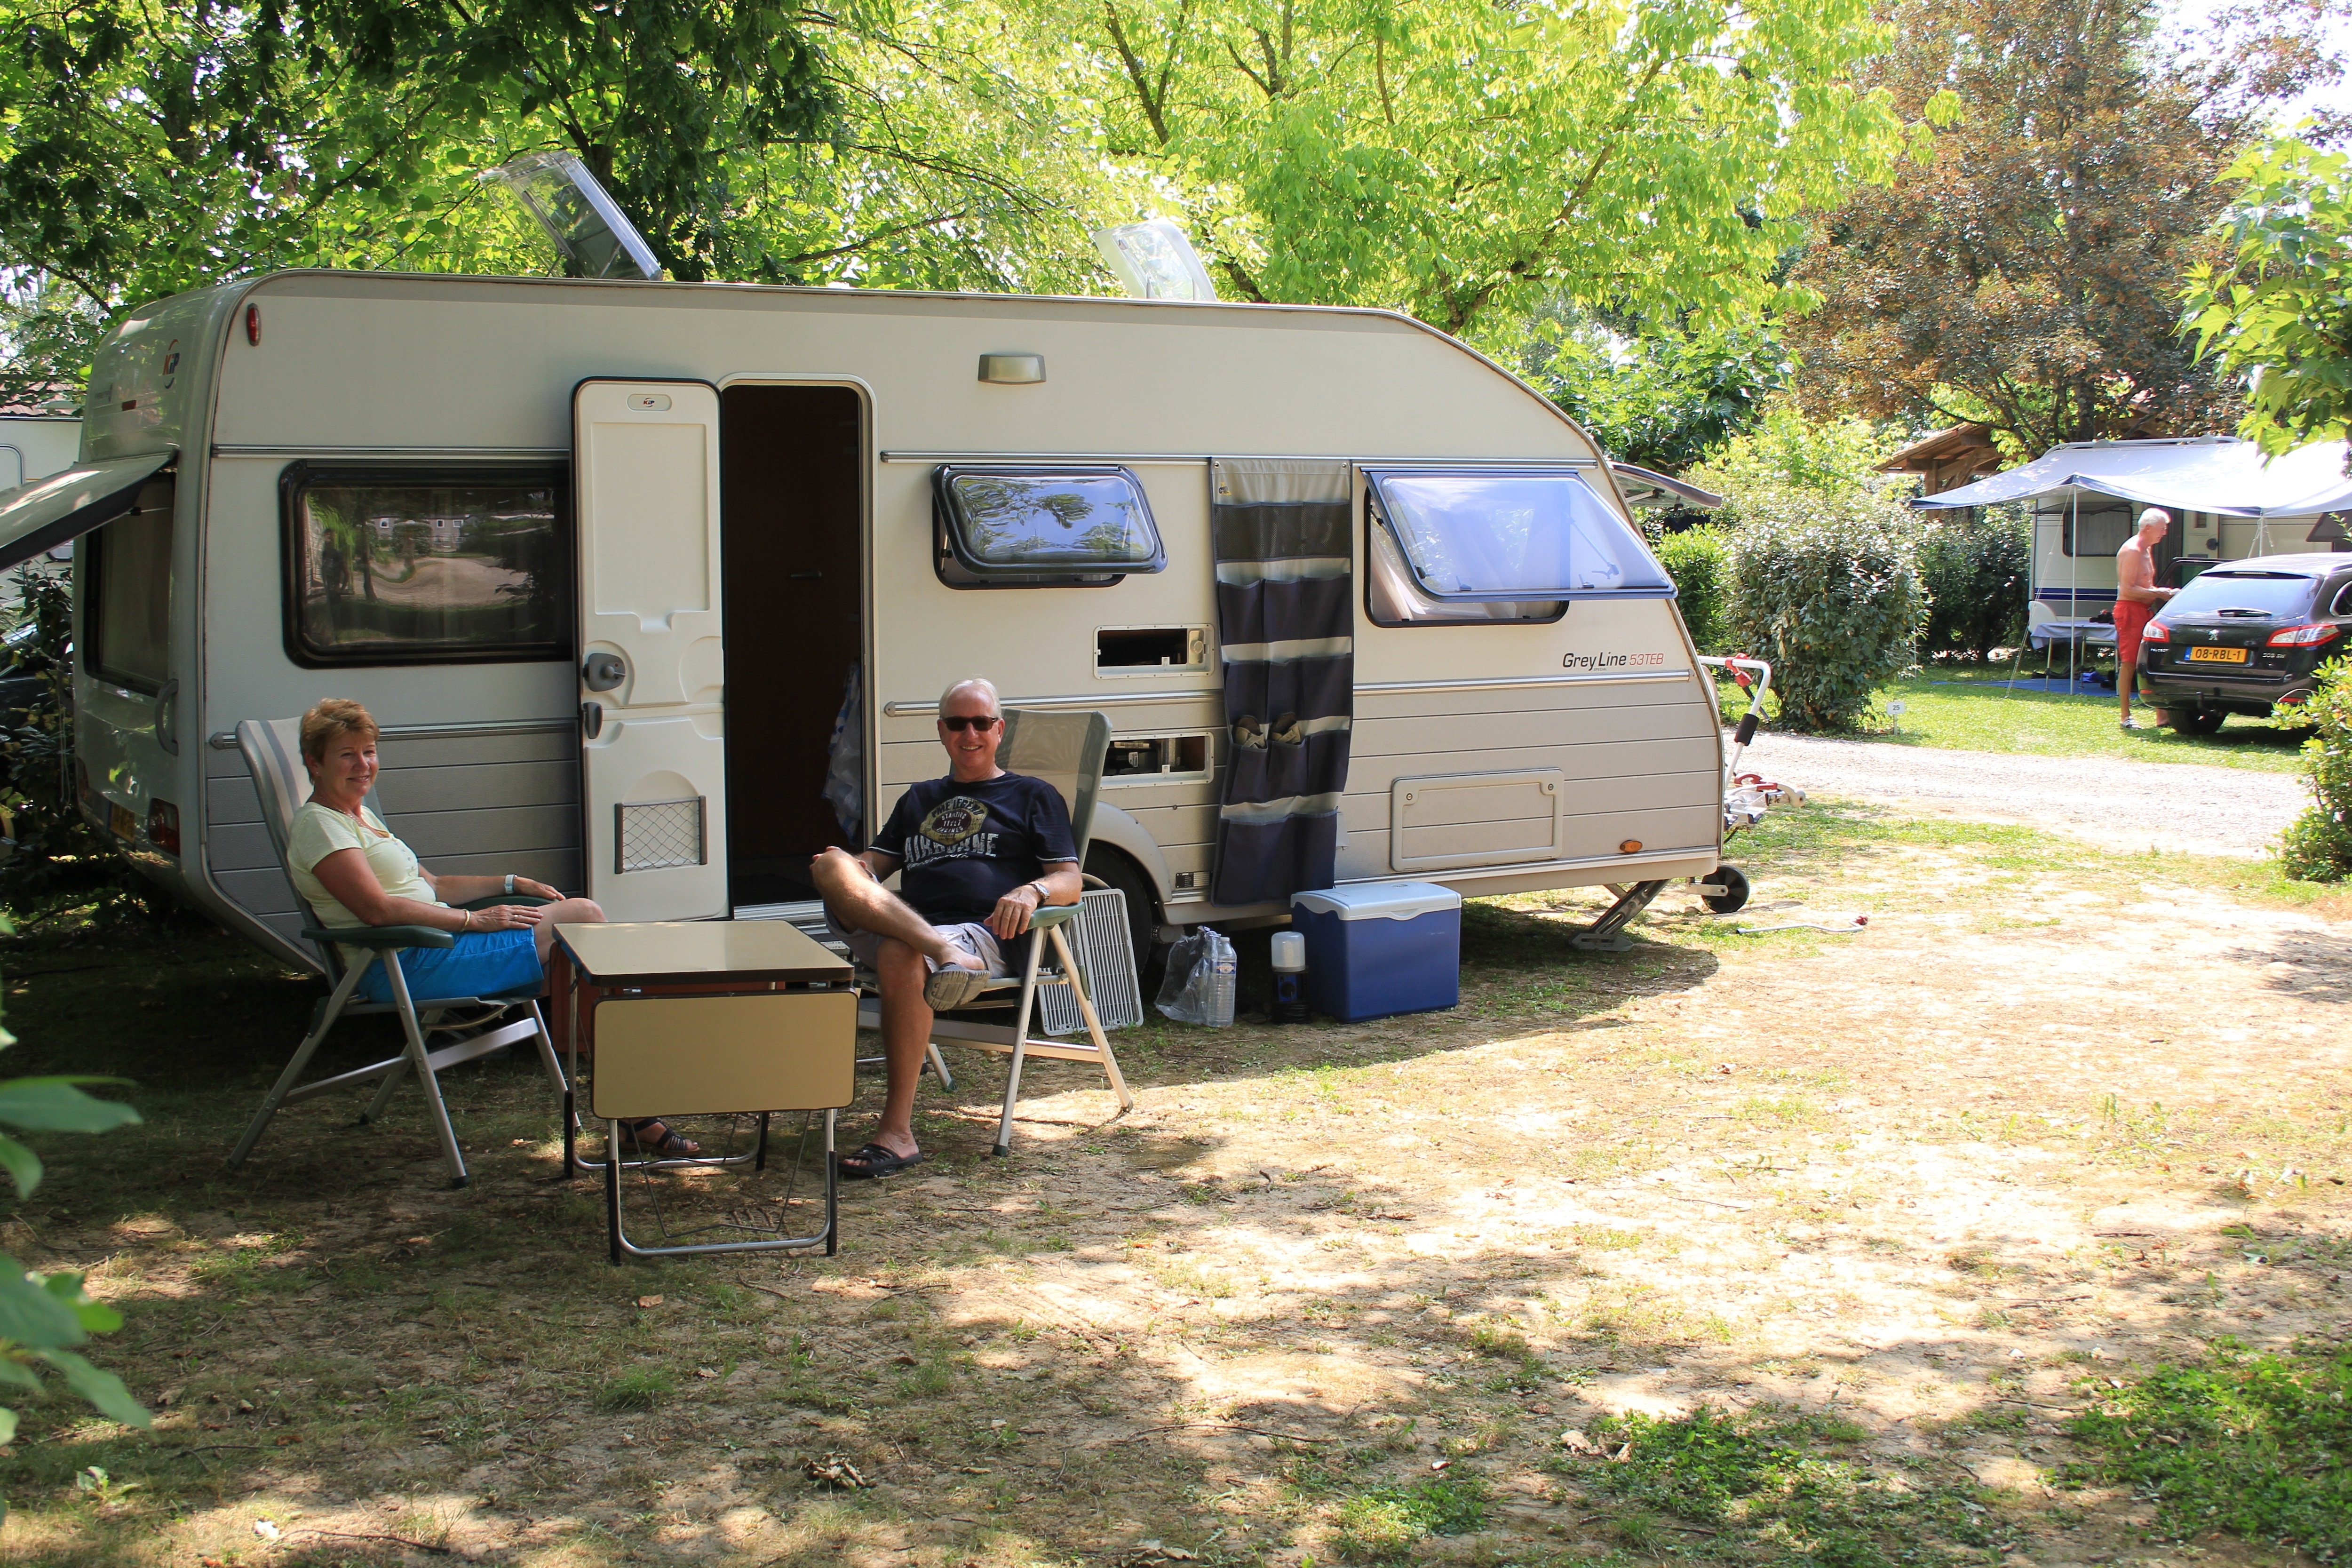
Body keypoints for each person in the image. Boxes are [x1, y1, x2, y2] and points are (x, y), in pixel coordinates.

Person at [286, 699, 693, 1158]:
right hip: (399, 963)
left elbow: (435, 885)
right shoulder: (320, 826)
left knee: (582, 953)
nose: (363, 765)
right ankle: (636, 1104)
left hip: (434, 948)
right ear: (315, 763)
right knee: (584, 920)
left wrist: (511, 883)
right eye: (347, 755)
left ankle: (633, 1104)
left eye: (370, 751)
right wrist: (474, 920)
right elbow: (377, 910)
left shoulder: (358, 815)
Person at [810, 677, 1081, 1178]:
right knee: (831, 864)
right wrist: (847, 870)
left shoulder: (1033, 795)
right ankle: (940, 950)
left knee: (899, 952)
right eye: (958, 723)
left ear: (999, 730)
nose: (969, 734)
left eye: (981, 723)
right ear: (941, 731)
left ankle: (896, 1134)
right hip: (920, 930)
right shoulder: (919, 798)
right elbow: (872, 866)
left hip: (983, 934)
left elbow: (1070, 878)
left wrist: (1031, 891)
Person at [2114, 509, 2178, 729]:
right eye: (2162, 529)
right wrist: (2160, 593)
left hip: (2145, 609)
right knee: (2130, 662)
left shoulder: (2147, 549)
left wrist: (2163, 593)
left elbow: (2145, 585)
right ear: (2148, 528)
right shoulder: (2133, 551)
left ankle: (2162, 716)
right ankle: (2125, 716)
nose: (2165, 533)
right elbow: (2128, 589)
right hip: (2129, 610)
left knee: (2154, 657)